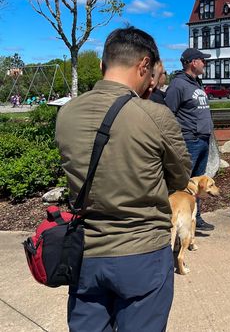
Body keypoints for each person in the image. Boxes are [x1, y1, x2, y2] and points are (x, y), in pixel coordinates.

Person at [55, 26, 191, 331]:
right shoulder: (154, 116)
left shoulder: (67, 113)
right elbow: (180, 176)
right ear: (144, 66)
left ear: (104, 65)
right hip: (142, 253)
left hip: (86, 253)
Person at [165, 48, 215, 231]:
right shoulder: (178, 85)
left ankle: (195, 218)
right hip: (189, 141)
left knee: (198, 184)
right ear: (193, 62)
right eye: (203, 60)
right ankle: (178, 218)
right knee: (184, 181)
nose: (205, 64)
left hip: (203, 140)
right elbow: (168, 114)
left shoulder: (197, 83)